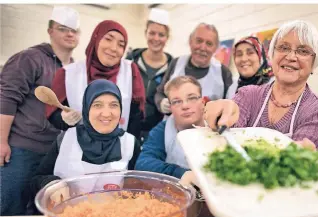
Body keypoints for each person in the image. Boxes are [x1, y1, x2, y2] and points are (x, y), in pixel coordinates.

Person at [0, 6, 80, 215]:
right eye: (63, 28)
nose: (70, 34)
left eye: (74, 30)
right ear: (50, 31)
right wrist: (1, 141)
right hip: (20, 151)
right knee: (9, 209)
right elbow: (6, 98)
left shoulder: (74, 69)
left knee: (38, 213)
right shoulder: (29, 58)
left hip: (53, 154)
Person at [203, 20, 318, 149]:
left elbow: (299, 161)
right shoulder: (249, 94)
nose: (291, 57)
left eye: (303, 51)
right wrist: (222, 114)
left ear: (314, 63)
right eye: (284, 48)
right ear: (272, 55)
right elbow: (228, 132)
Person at [29, 79, 139, 207]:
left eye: (114, 105)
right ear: (86, 109)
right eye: (97, 105)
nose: (106, 113)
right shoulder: (66, 139)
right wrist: (52, 184)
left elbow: (140, 189)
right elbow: (35, 181)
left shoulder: (130, 144)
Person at [46, 20, 146, 140]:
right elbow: (53, 114)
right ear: (96, 39)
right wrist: (64, 118)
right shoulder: (68, 73)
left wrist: (128, 148)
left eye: (121, 44)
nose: (114, 48)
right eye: (108, 39)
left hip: (118, 150)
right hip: (78, 149)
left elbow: (136, 117)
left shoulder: (130, 71)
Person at [154, 23, 234, 115]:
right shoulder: (176, 63)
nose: (203, 47)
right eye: (199, 41)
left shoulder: (223, 72)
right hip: (173, 125)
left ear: (215, 48)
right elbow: (159, 93)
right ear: (190, 41)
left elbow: (230, 107)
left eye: (209, 43)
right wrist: (161, 103)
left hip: (208, 128)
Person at [135, 76, 204, 181]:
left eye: (192, 98)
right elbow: (143, 163)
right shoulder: (162, 130)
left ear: (203, 102)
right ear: (170, 107)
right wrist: (180, 173)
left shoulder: (218, 124)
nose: (185, 106)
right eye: (177, 101)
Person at [126, 8, 173, 142]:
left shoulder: (172, 66)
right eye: (152, 33)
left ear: (167, 38)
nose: (156, 38)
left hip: (156, 132)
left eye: (161, 34)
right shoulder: (131, 60)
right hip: (128, 128)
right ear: (146, 33)